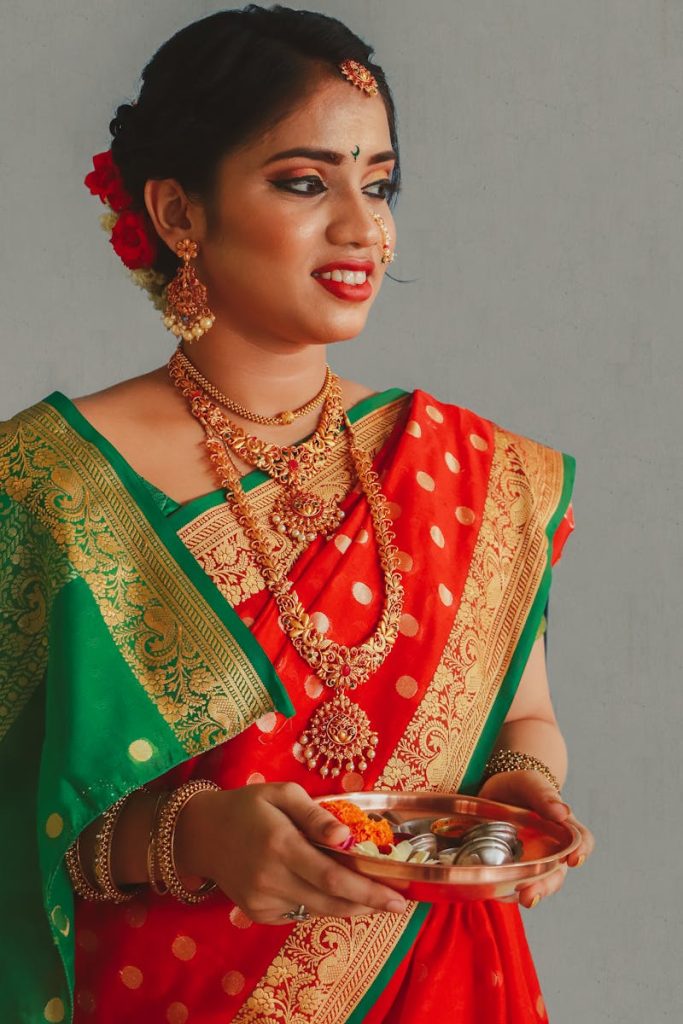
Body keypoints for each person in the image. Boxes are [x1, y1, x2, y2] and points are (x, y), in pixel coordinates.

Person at [0, 5, 595, 1022]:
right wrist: (193, 837)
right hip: (167, 994)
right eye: (305, 182)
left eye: (377, 183)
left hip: (441, 981)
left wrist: (521, 786)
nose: (364, 227)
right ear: (181, 215)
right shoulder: (46, 485)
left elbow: (524, 714)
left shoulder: (470, 470)